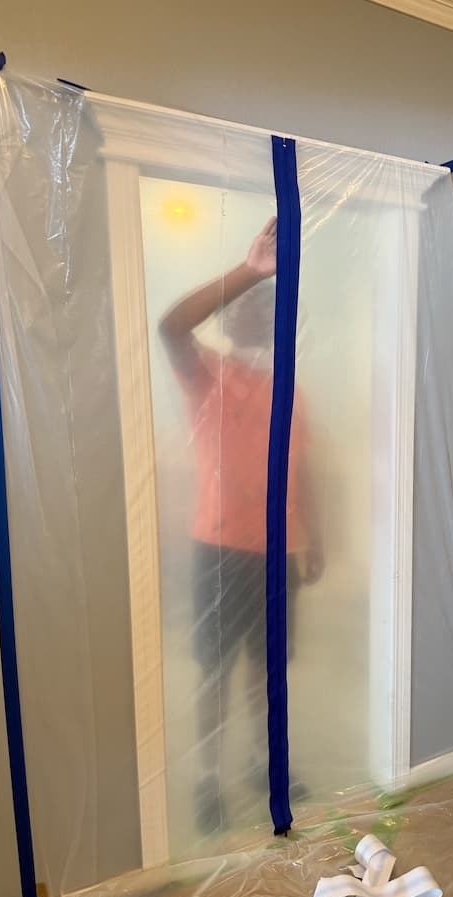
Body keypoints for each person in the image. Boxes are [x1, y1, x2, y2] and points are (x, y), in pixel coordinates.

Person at [159, 217, 323, 833]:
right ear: (229, 320)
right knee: (216, 670)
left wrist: (313, 538)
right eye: (247, 306)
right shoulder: (206, 374)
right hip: (220, 549)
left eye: (265, 306)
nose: (257, 314)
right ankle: (207, 779)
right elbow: (171, 326)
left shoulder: (291, 393)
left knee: (266, 668)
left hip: (276, 553)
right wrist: (248, 272)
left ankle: (261, 763)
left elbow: (301, 469)